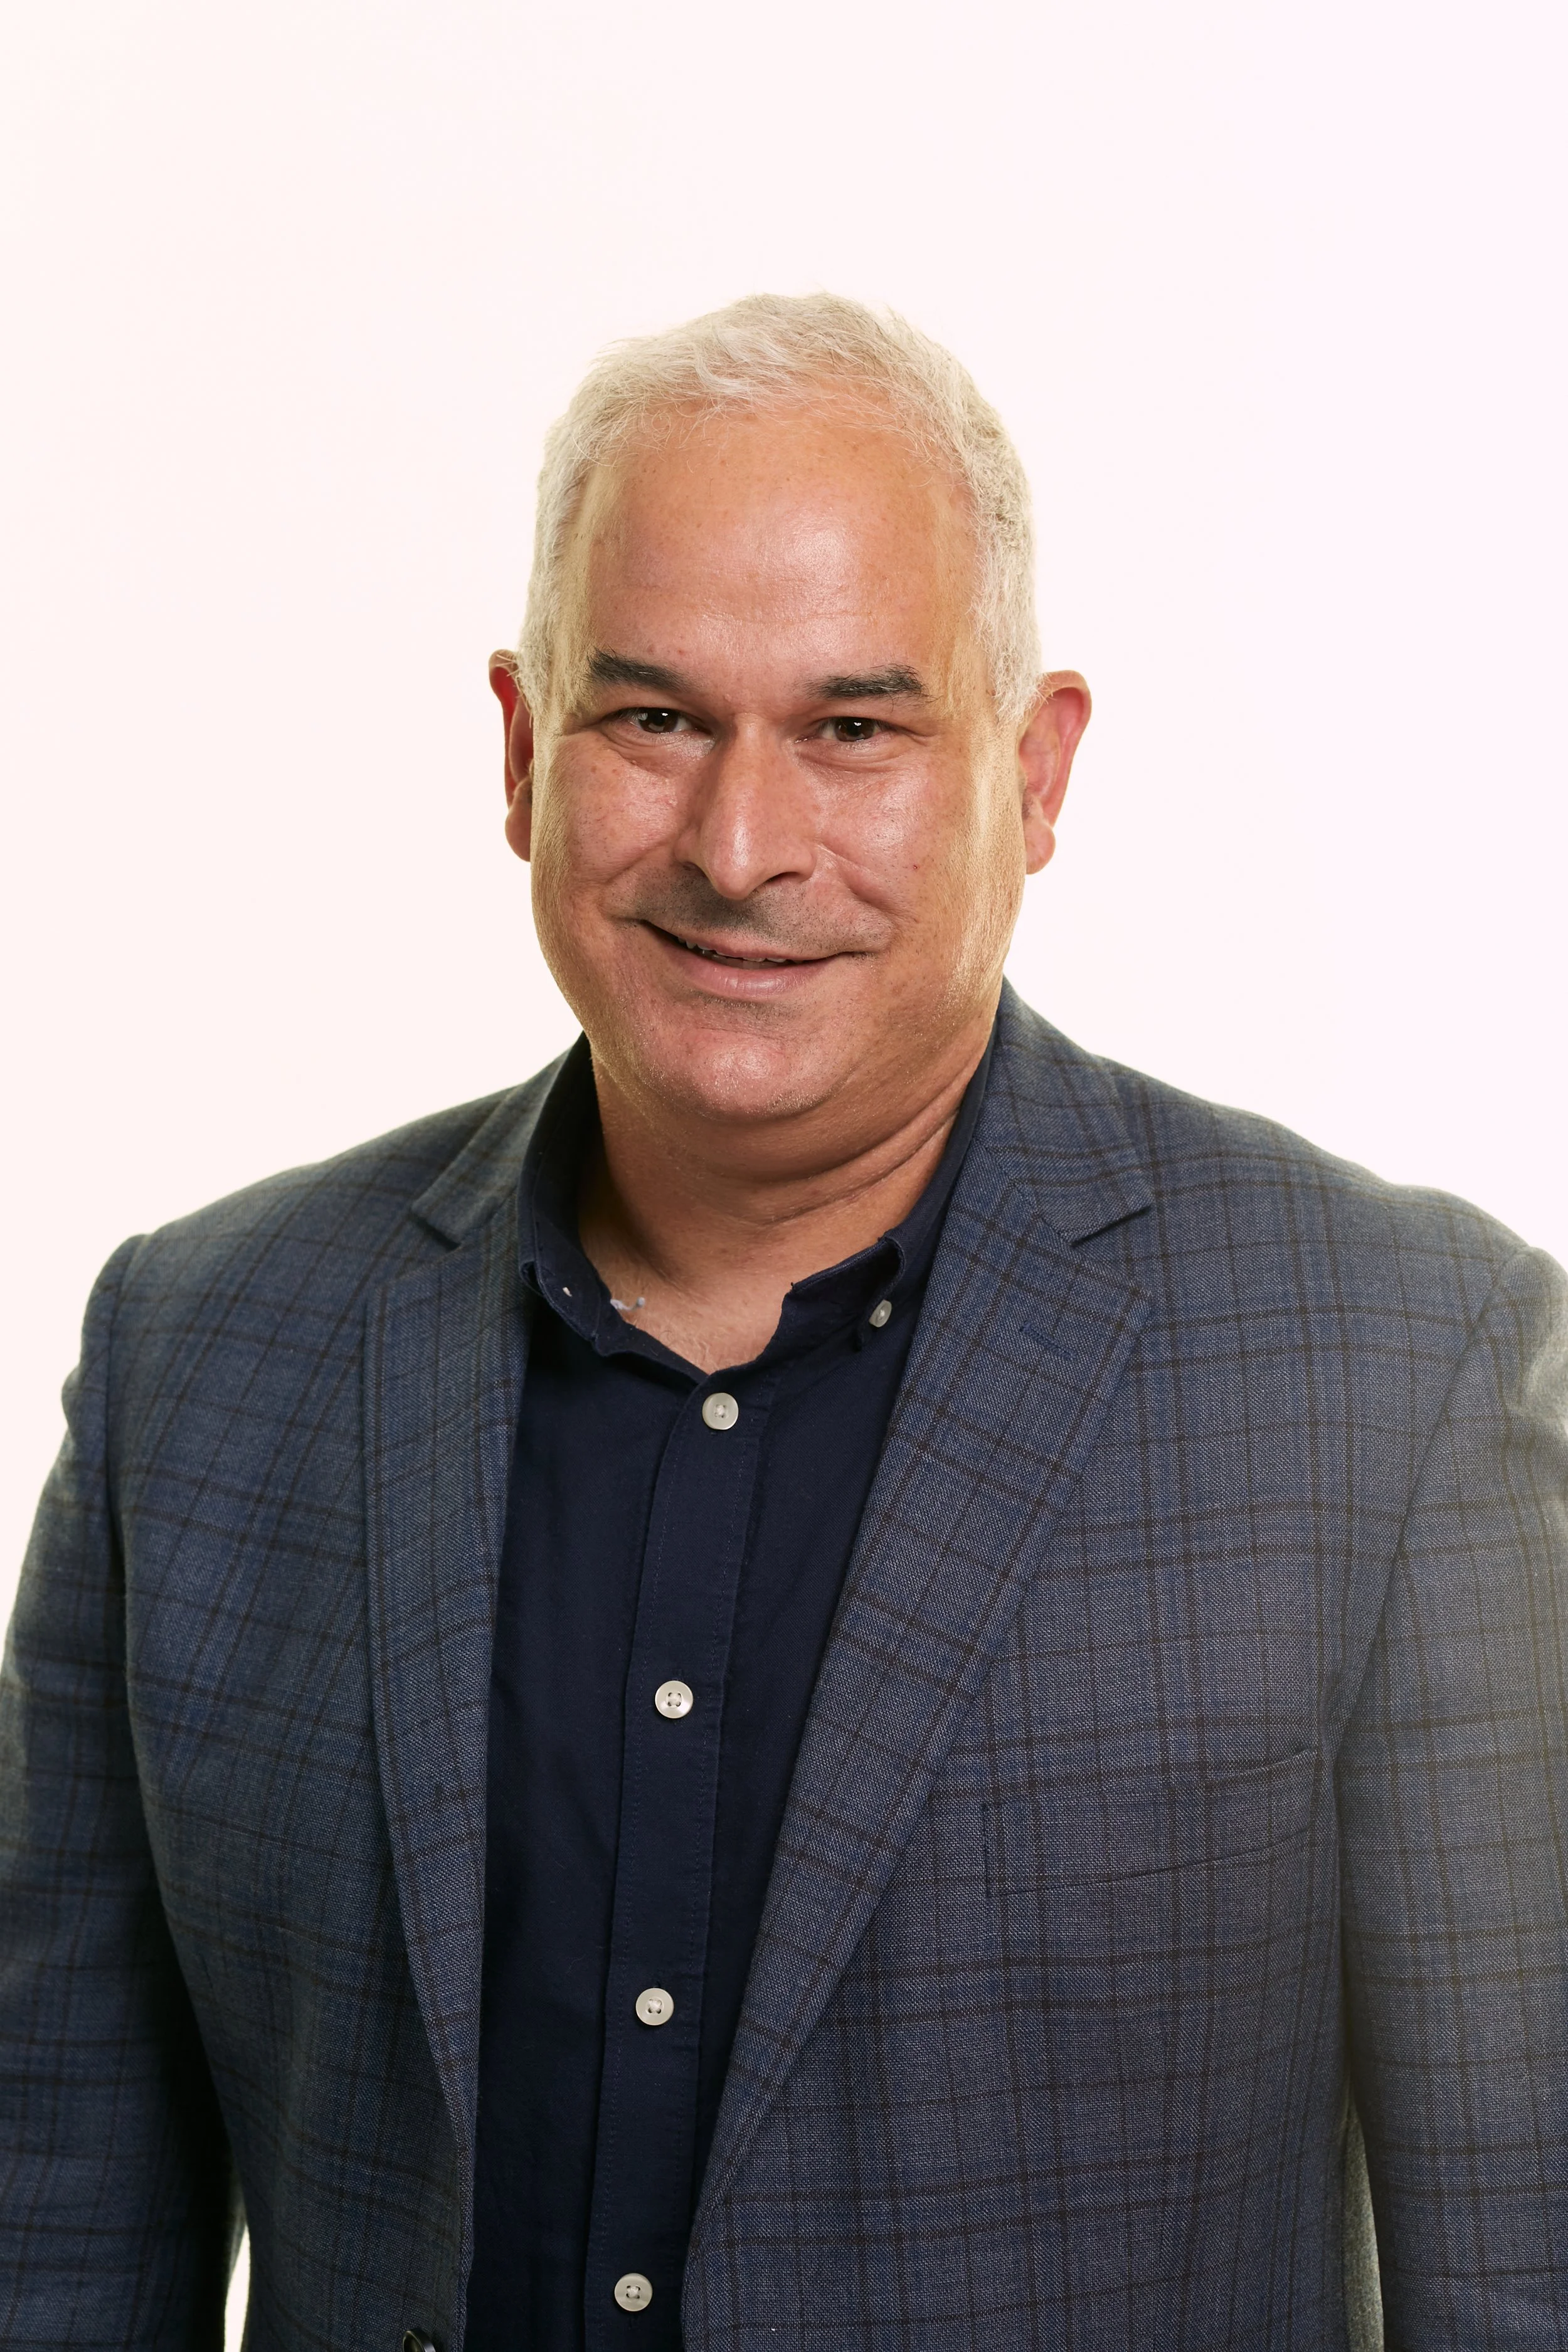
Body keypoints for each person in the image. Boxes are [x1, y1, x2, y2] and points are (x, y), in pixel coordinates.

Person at [3, 292, 1565, 2352]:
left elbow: (1519, 2268)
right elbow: (54, 2231)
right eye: (652, 719)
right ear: (520, 748)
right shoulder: (203, 1357)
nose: (741, 848)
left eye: (853, 728)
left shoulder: (1395, 1368)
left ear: (1032, 767)